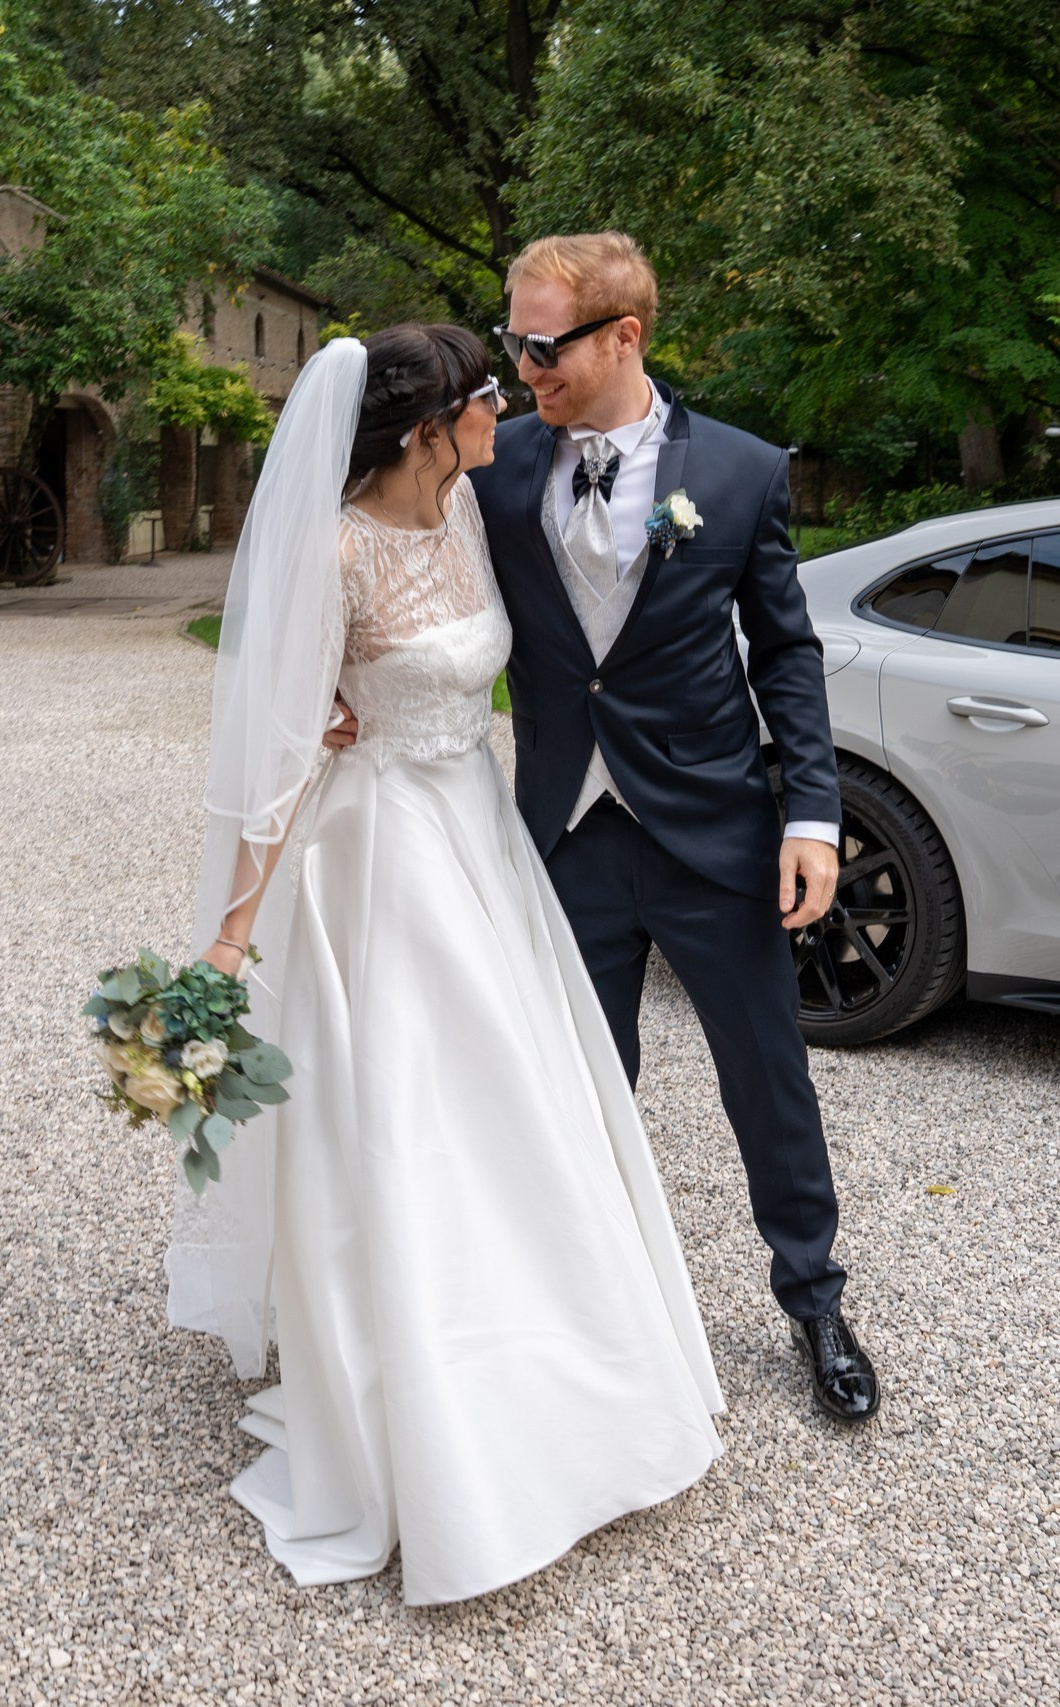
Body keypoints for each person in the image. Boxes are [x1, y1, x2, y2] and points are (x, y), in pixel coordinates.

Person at [165, 326, 724, 1607]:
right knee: (414, 1121)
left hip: (482, 835)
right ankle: (427, 1406)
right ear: (431, 429)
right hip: (384, 861)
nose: (505, 416)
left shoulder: (473, 504)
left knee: (523, 1102)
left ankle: (568, 1363)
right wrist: (233, 931)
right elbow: (283, 754)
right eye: (484, 400)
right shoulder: (334, 548)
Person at [465, 232, 880, 1422]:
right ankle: (589, 1311)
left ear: (621, 337)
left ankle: (814, 1302)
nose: (522, 366)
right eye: (513, 339)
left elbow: (787, 656)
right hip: (564, 831)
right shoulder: (493, 470)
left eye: (540, 344)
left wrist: (811, 811)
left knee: (768, 1076)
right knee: (581, 1083)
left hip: (714, 828)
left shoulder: (742, 474)